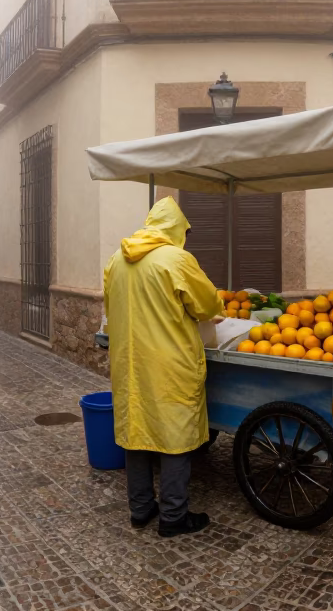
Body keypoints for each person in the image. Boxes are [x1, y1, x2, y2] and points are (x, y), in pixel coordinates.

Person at [103, 196, 223, 537]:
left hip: (130, 363)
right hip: (169, 364)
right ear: (176, 229)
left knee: (136, 432)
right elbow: (206, 305)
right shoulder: (176, 259)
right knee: (175, 436)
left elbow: (110, 308)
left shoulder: (116, 259)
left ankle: (140, 509)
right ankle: (173, 516)